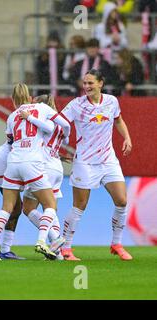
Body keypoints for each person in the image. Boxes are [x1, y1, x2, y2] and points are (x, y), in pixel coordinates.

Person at [0, 83, 70, 261]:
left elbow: (10, 139)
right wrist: (32, 119)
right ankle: (42, 241)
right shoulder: (41, 108)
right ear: (30, 96)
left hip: (13, 162)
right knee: (50, 205)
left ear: (13, 98)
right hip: (33, 163)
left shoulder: (11, 116)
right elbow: (55, 127)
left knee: (7, 208)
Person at [60, 69, 133, 261]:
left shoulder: (112, 101)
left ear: (101, 83)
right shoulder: (76, 105)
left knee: (122, 201)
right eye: (84, 83)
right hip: (85, 161)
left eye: (90, 83)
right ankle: (65, 248)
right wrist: (58, 147)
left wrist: (127, 137)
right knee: (80, 205)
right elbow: (59, 124)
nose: (86, 87)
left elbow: (119, 120)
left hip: (108, 160)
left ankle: (116, 244)